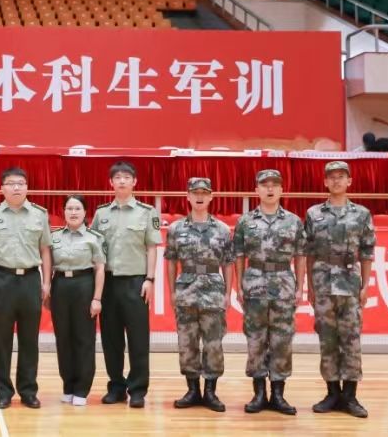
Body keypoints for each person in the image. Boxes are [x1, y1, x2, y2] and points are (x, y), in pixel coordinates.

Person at [305, 161, 375, 419]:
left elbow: (366, 252)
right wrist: (310, 286)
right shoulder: (314, 213)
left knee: (351, 340)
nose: (336, 181)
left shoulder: (362, 214)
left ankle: (351, 396)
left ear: (349, 181)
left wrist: (365, 285)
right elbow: (309, 253)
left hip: (350, 283)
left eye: (341, 176)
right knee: (327, 339)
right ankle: (332, 393)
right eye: (331, 177)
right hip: (323, 282)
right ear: (325, 182)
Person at [233, 169, 306, 415]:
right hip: (254, 282)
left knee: (282, 340)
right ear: (257, 190)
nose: (270, 189)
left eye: (275, 184)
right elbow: (239, 255)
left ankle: (278, 394)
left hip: (283, 282)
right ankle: (258, 393)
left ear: (282, 189)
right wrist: (239, 285)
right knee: (255, 339)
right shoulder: (245, 221)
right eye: (265, 185)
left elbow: (300, 255)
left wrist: (300, 286)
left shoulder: (293, 221)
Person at [91, 161, 162, 408]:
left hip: (135, 282)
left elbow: (152, 247)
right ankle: (116, 387)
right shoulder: (101, 213)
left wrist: (150, 279)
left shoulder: (147, 212)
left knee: (138, 339)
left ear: (135, 182)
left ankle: (138, 389)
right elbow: (93, 248)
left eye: (126, 177)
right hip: (108, 283)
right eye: (117, 177)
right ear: (111, 182)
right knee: (111, 339)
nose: (122, 181)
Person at [0, 166, 52, 409]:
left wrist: (46, 281)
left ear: (27, 187)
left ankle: (28, 390)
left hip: (30, 279)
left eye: (20, 183)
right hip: (2, 279)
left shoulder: (39, 215)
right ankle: (3, 392)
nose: (16, 188)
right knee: (1, 338)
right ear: (2, 188)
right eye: (11, 183)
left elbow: (45, 249)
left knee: (29, 339)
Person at [164, 178, 233, 412]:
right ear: (188, 196)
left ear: (211, 196)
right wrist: (172, 291)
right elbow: (171, 262)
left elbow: (228, 263)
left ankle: (211, 392)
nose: (200, 197)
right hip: (186, 289)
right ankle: (192, 390)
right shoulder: (176, 229)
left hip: (213, 289)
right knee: (187, 342)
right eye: (195, 193)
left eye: (204, 192)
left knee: (213, 343)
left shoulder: (222, 229)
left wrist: (228, 293)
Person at [49, 195, 105, 407]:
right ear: (63, 212)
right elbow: (48, 265)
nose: (73, 212)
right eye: (69, 208)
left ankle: (82, 387)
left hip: (84, 285)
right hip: (60, 285)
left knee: (84, 338)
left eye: (77, 208)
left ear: (85, 212)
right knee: (63, 338)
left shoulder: (94, 238)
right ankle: (68, 385)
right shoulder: (54, 237)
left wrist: (96, 298)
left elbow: (100, 268)